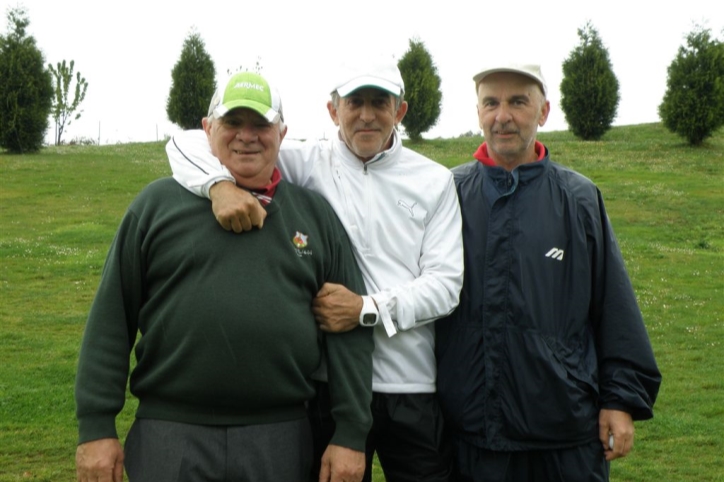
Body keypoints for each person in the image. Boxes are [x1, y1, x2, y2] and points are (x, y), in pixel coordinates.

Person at [166, 58, 464, 482]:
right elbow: (188, 143)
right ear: (332, 110)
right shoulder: (306, 162)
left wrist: (366, 308)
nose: (366, 114)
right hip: (328, 385)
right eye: (354, 102)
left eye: (380, 102)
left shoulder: (434, 180)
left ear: (400, 111)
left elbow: (445, 285)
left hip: (410, 387)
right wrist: (220, 186)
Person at [74, 71, 374, 482]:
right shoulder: (156, 205)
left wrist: (351, 434)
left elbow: (349, 334)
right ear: (207, 130)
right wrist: (95, 427)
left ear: (282, 133)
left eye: (260, 125)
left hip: (280, 436)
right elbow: (111, 320)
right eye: (233, 123)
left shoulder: (315, 215)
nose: (246, 137)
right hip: (170, 433)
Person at [435, 63, 662, 481]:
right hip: (472, 434)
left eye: (518, 102)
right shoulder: (446, 194)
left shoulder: (578, 199)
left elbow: (614, 305)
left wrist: (621, 400)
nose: (502, 116)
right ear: (478, 112)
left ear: (543, 112)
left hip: (565, 436)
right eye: (491, 102)